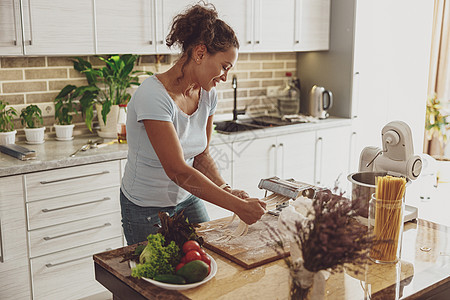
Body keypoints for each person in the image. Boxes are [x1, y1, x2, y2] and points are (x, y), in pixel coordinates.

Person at [120, 2, 266, 245]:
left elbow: (201, 155)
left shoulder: (208, 93)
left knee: (206, 263)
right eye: (224, 67)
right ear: (200, 53)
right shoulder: (153, 96)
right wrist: (237, 206)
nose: (225, 77)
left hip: (187, 199)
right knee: (157, 279)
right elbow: (177, 170)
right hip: (145, 209)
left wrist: (226, 189)